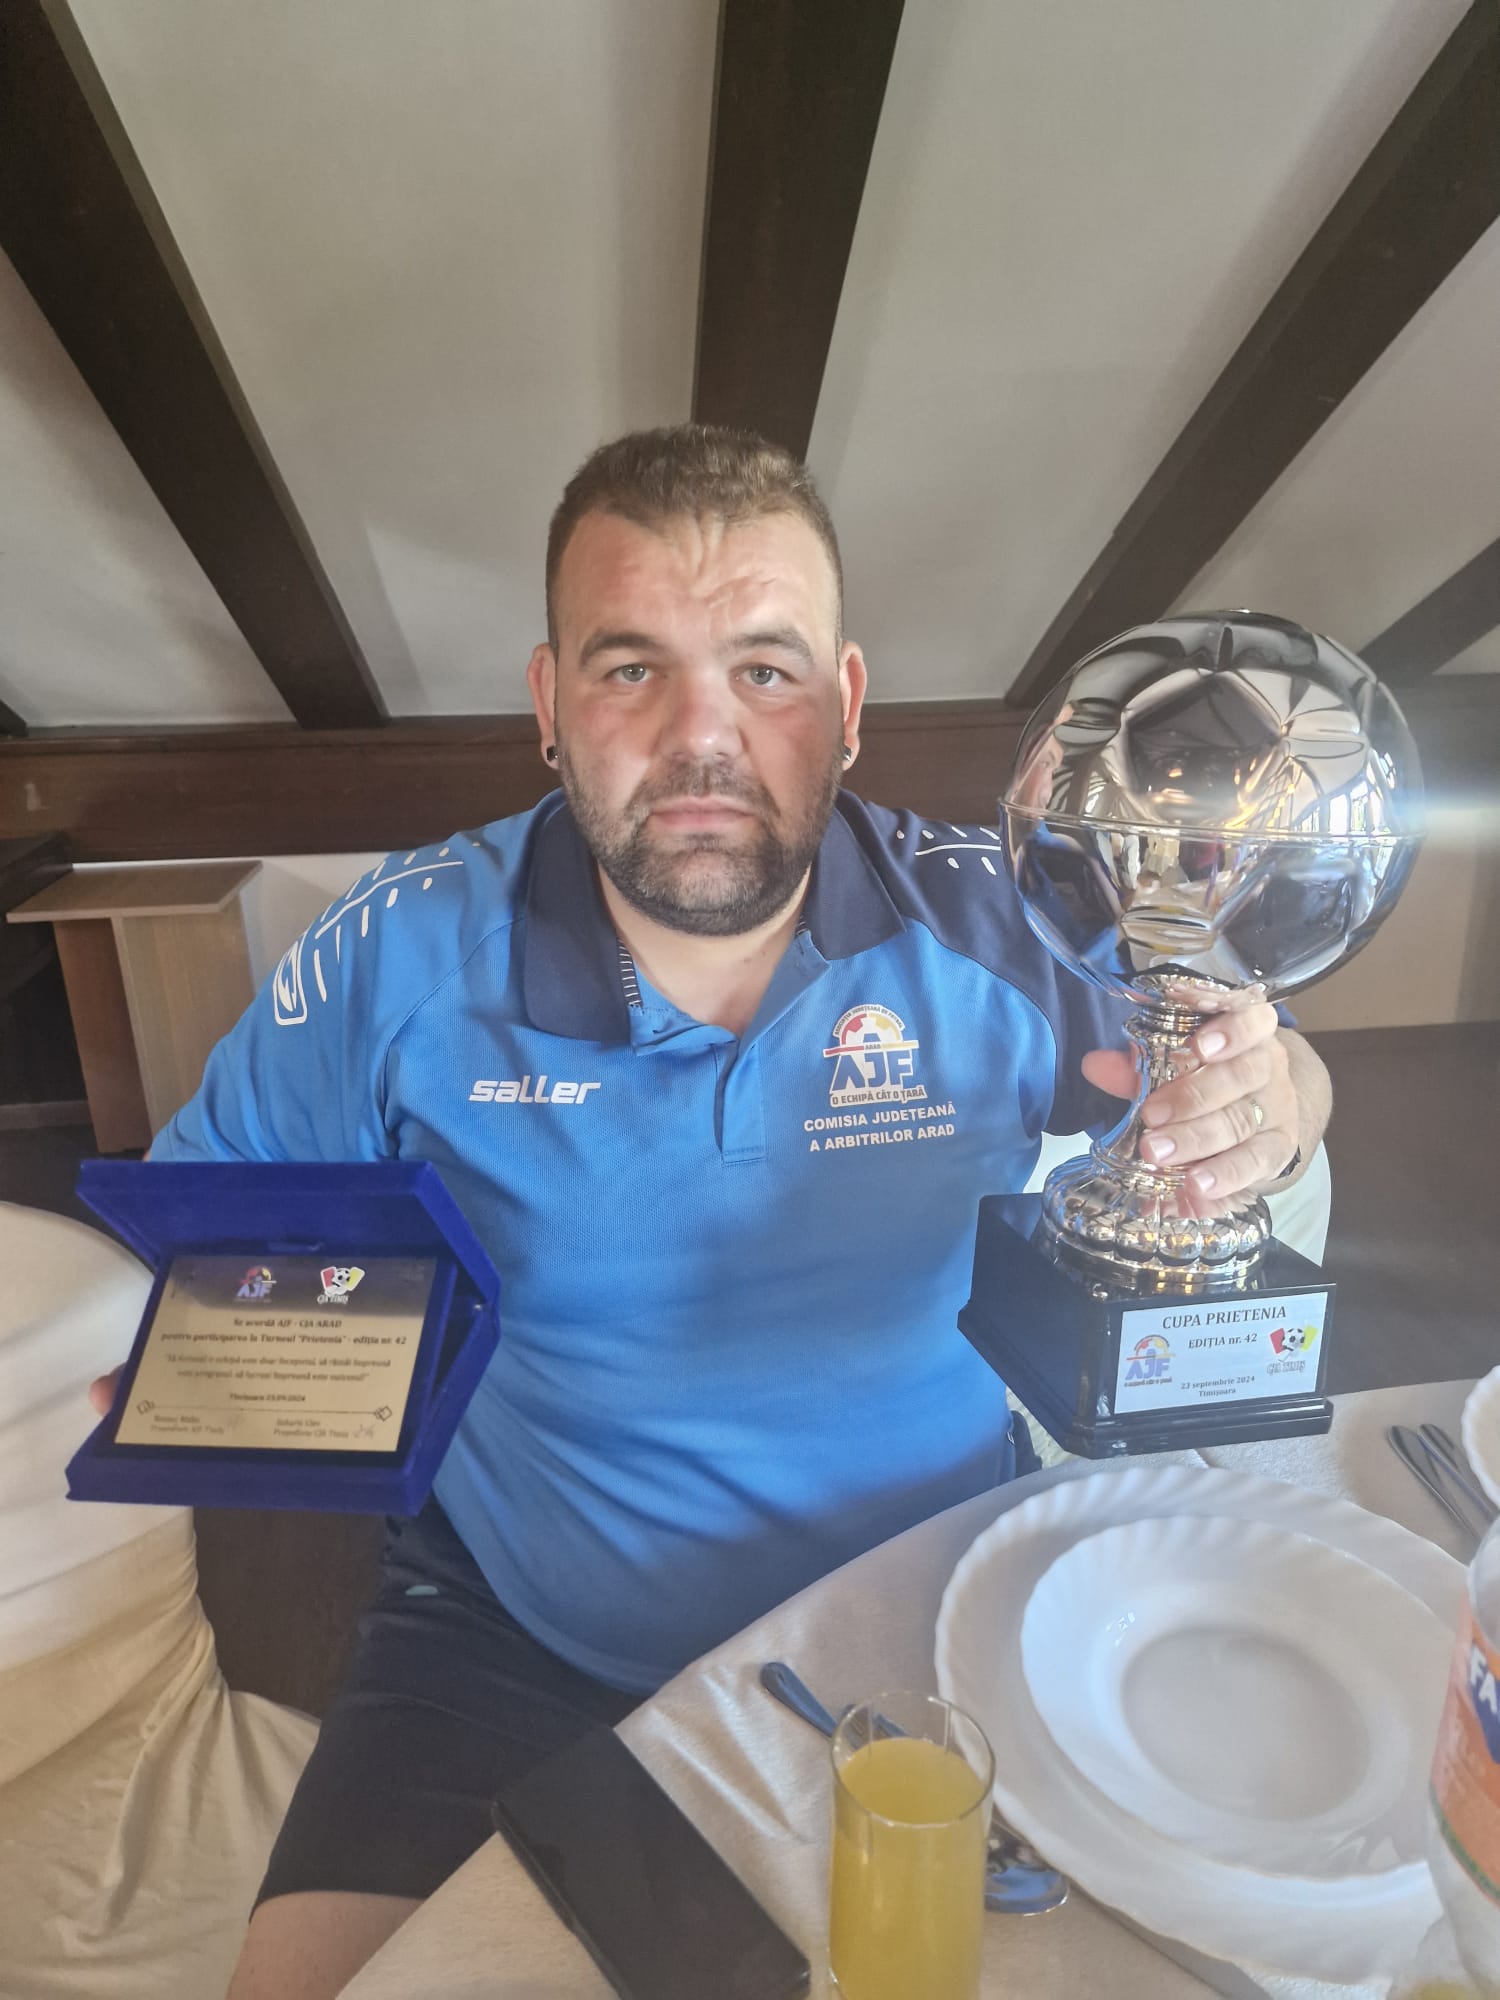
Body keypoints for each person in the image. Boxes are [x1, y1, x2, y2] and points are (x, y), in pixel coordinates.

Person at [90, 425, 1331, 1998]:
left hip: (933, 1596)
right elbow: (203, 1222)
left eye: (765, 671)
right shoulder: (399, 954)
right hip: (513, 1632)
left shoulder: (1008, 919)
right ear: (550, 704)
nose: (701, 736)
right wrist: (213, 1348)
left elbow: (1257, 1063)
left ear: (847, 706)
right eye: (631, 669)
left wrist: (1273, 1107)